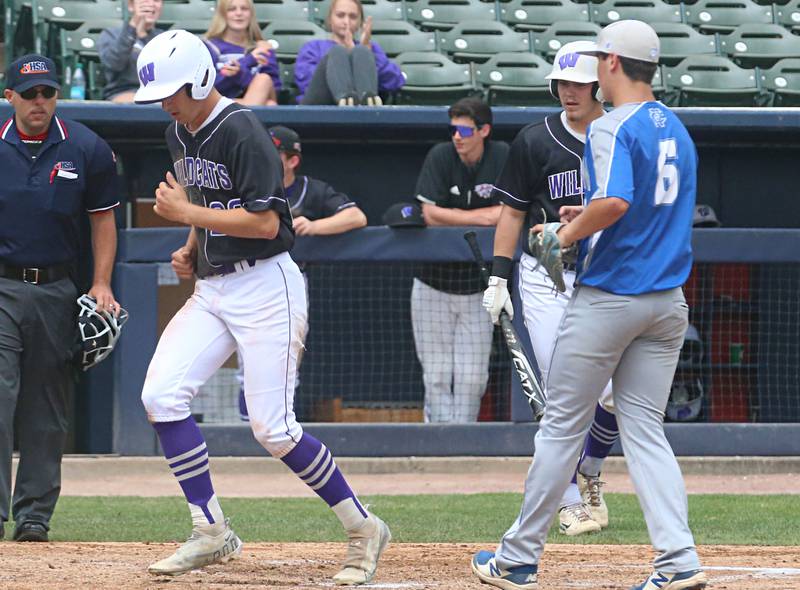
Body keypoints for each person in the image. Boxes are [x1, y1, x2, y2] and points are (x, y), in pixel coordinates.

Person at [133, 30, 390, 585]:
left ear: (202, 78)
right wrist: (188, 247)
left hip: (266, 285)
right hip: (214, 285)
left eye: (172, 91)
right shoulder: (179, 131)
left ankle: (363, 527)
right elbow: (204, 205)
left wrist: (187, 219)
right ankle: (210, 530)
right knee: (160, 395)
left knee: (273, 429)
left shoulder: (244, 129)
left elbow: (267, 223)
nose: (164, 102)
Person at [472, 20, 708, 590]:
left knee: (559, 429)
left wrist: (564, 235)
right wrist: (583, 219)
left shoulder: (611, 128)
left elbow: (619, 202)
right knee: (646, 431)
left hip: (611, 298)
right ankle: (677, 561)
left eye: (602, 58)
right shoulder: (676, 126)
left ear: (611, 65)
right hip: (667, 303)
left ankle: (516, 558)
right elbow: (639, 207)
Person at [482, 41, 618, 536]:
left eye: (578, 84)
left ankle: (591, 469)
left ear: (598, 84)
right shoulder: (534, 139)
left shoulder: (619, 132)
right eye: (561, 84)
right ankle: (564, 502)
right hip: (547, 276)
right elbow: (512, 213)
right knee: (561, 396)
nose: (568, 93)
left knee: (614, 394)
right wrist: (499, 275)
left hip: (607, 275)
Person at [0, 54, 120, 542]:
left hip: (55, 288)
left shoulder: (87, 147)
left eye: (47, 92)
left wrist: (103, 283)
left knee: (47, 408)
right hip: (2, 284)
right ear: (9, 97)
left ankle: (33, 515)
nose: (39, 102)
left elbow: (103, 220)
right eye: (29, 94)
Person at [237, 125, 368, 421]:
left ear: (292, 160)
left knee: (286, 359)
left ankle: (281, 428)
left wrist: (314, 226)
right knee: (249, 361)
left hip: (289, 284)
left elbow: (356, 216)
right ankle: (247, 432)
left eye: (273, 152)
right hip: (245, 278)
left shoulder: (313, 190)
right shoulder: (244, 183)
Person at [411, 97, 509, 423]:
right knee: (436, 373)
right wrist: (481, 218)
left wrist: (455, 216)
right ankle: (437, 443)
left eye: (465, 129)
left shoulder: (501, 156)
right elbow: (428, 214)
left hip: (477, 287)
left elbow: (507, 213)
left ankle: (463, 439)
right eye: (453, 129)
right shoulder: (441, 155)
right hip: (432, 284)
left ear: (484, 130)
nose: (457, 136)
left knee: (471, 378)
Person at [294, 0, 403, 105]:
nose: (346, 22)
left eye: (353, 17)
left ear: (360, 22)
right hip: (319, 110)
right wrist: (346, 58)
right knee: (338, 51)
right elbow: (307, 84)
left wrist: (365, 54)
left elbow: (395, 81)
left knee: (361, 52)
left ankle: (362, 109)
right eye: (340, 15)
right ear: (330, 19)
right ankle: (346, 101)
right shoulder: (313, 47)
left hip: (362, 113)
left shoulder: (369, 48)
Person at [204, 0, 280, 106]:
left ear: (251, 14)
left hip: (242, 104)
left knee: (264, 81)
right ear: (222, 14)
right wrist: (248, 61)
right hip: (217, 103)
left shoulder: (263, 48)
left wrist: (240, 73)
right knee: (269, 105)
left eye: (244, 9)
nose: (239, 13)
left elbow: (273, 90)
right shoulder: (209, 47)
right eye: (231, 9)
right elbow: (205, 89)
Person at [99, 0, 164, 102]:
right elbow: (115, 64)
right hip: (123, 93)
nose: (151, 4)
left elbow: (164, 69)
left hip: (160, 93)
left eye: (156, 0)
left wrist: (143, 36)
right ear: (131, 5)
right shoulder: (112, 34)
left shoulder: (165, 38)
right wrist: (133, 25)